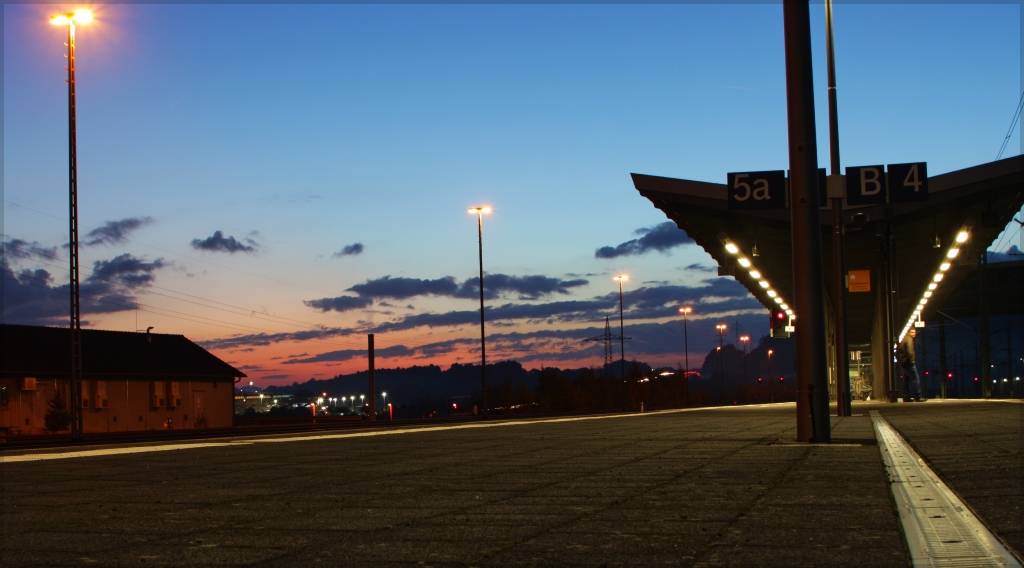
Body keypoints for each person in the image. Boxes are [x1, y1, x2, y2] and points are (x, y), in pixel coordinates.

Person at [898, 329, 926, 402]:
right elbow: (910, 351)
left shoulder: (904, 338)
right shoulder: (909, 339)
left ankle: (905, 397)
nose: (914, 334)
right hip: (908, 362)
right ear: (908, 332)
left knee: (905, 380)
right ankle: (917, 396)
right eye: (912, 332)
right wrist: (912, 361)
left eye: (914, 332)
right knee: (916, 378)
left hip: (903, 362)